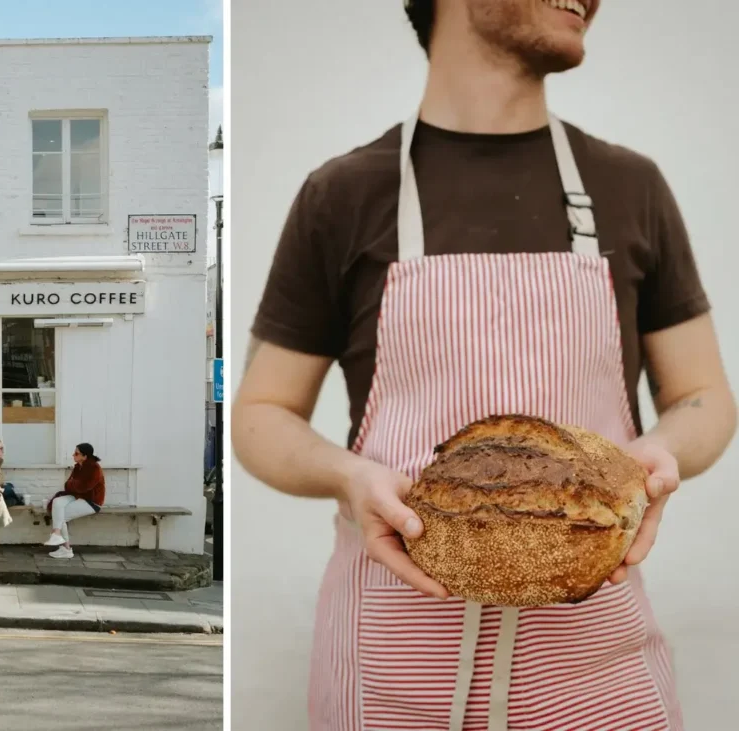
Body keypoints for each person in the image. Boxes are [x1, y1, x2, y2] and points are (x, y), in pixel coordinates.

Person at [233, 2, 737, 729]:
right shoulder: (343, 194)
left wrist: (658, 455)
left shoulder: (631, 187)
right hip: (393, 678)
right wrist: (350, 475)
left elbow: (704, 394)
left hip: (597, 681)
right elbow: (257, 413)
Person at [43, 443, 105, 559]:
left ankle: (66, 548)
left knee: (60, 516)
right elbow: (68, 485)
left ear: (85, 456)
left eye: (76, 453)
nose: (73, 455)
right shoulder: (78, 467)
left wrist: (73, 484)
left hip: (91, 501)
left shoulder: (94, 468)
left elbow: (84, 487)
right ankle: (56, 534)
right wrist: (74, 485)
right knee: (57, 502)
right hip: (77, 496)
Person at [0, 438, 24, 506]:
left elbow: (0, 481)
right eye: (1, 448)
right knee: (9, 490)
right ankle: (18, 501)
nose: (3, 451)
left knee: (10, 487)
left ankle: (14, 501)